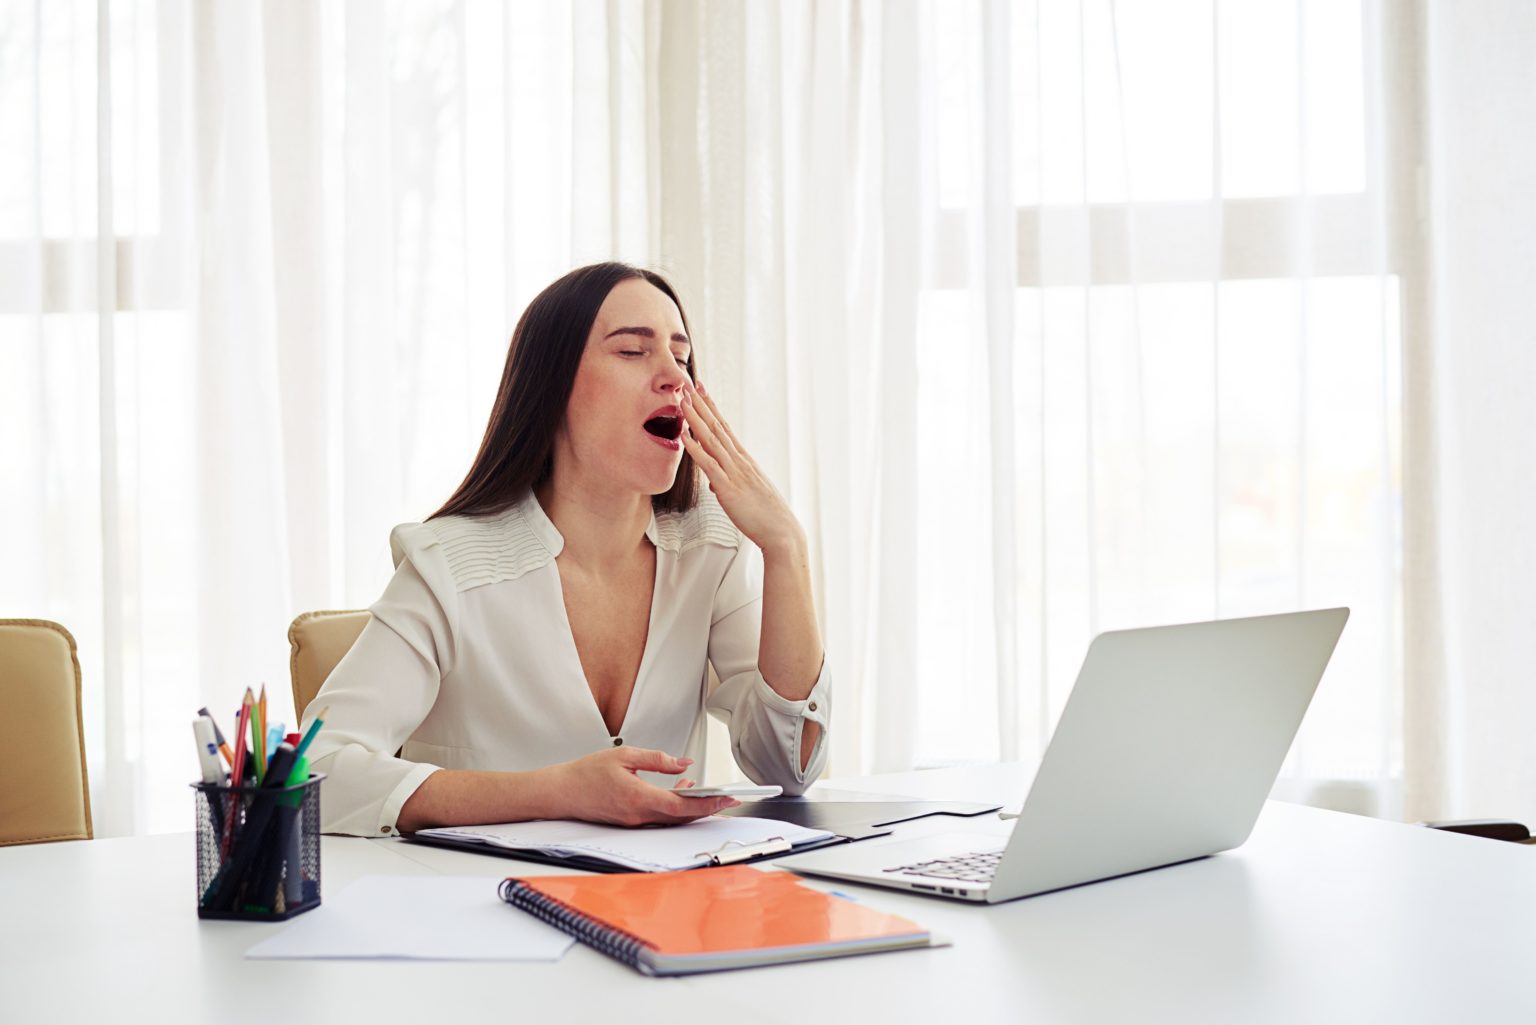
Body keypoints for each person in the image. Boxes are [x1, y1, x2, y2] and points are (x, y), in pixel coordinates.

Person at [306, 262, 829, 836]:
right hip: (482, 910)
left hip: (660, 910)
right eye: (633, 352)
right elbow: (318, 773)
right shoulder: (447, 564)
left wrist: (786, 548)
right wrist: (555, 792)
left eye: (681, 357)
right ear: (552, 386)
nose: (672, 378)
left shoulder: (709, 548)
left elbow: (789, 767)